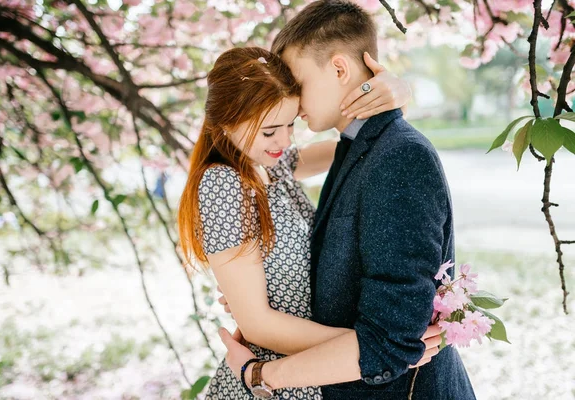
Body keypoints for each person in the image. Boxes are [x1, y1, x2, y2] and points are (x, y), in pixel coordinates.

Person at [217, 1, 477, 399]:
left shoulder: (399, 157)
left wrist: (260, 375)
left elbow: (389, 342)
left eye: (295, 80)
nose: (291, 97)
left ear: (338, 69)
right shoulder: (356, 147)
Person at [177, 45, 436, 399]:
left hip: (320, 372)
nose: (283, 140)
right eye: (269, 131)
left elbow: (363, 144)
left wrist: (394, 97)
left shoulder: (271, 166)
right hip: (278, 377)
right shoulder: (223, 184)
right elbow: (258, 323)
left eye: (290, 124)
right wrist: (379, 348)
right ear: (225, 123)